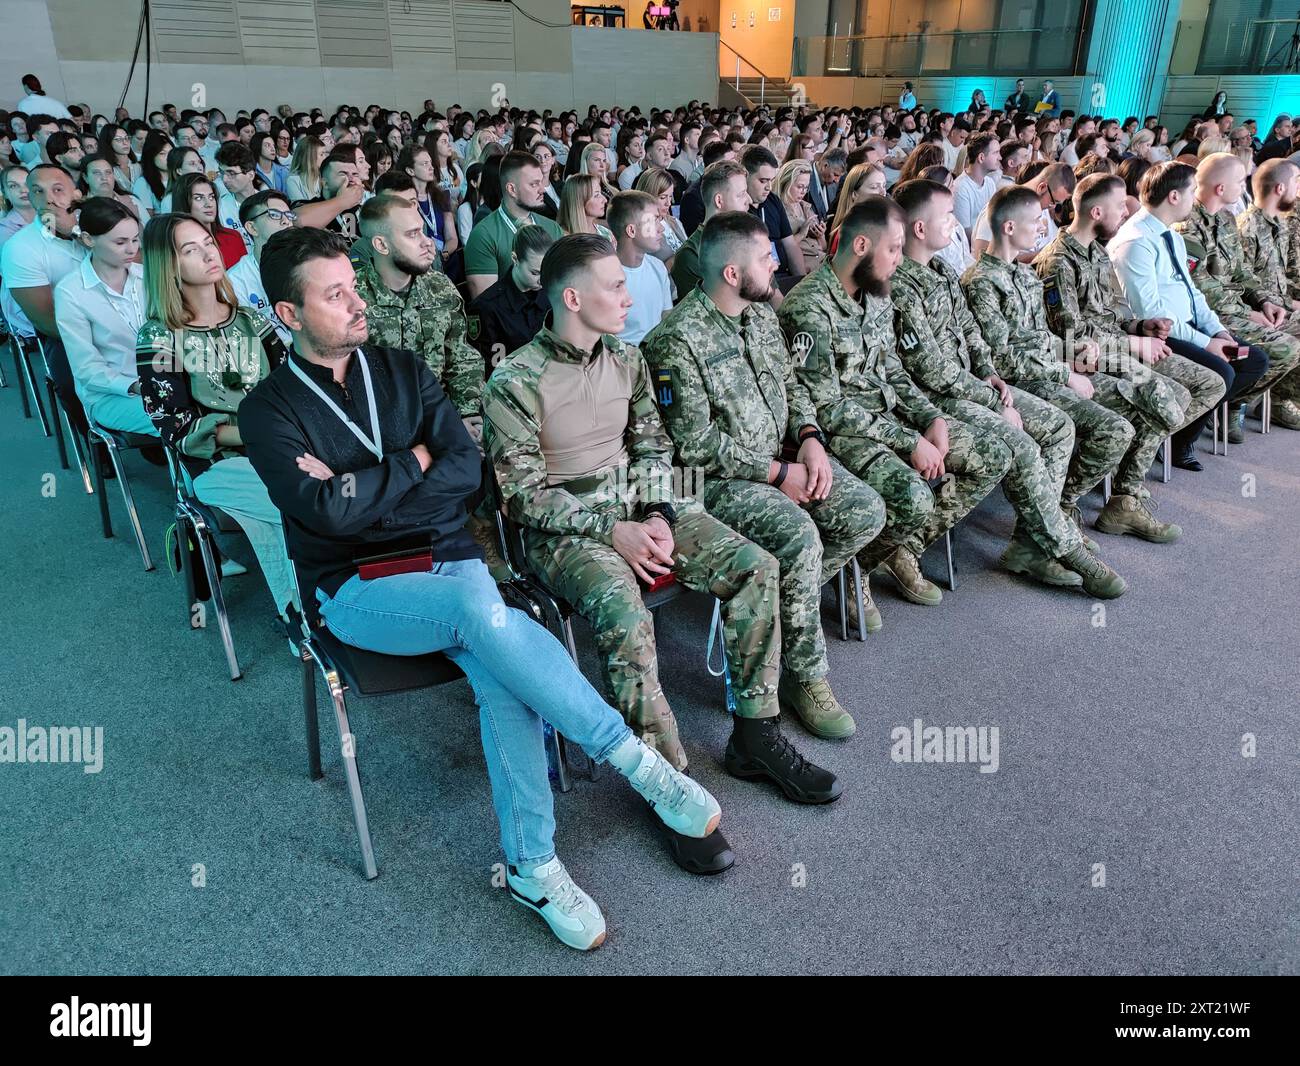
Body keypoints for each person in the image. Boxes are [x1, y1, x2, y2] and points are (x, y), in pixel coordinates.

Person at [239, 226, 720, 950]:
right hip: (354, 587)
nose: (356, 301)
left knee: (497, 665)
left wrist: (368, 490)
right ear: (288, 314)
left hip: (449, 556)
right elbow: (322, 517)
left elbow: (465, 474)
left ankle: (532, 867)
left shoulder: (402, 368)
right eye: (334, 294)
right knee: (482, 612)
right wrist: (412, 465)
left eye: (354, 284)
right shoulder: (268, 409)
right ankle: (638, 764)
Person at [483, 234, 841, 866]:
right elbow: (522, 494)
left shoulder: (627, 359)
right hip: (563, 528)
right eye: (615, 286)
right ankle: (669, 784)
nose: (629, 296)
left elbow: (653, 449)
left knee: (754, 565)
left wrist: (654, 512)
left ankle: (755, 733)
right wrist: (610, 528)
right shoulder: (515, 379)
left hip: (638, 504)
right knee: (624, 613)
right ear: (572, 297)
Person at [642, 210, 884, 735]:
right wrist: (778, 474)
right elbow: (694, 443)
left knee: (866, 509)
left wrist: (812, 439)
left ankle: (775, 620)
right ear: (732, 273)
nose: (777, 260)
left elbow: (792, 387)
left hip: (783, 459)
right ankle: (805, 675)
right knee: (799, 538)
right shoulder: (676, 341)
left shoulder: (761, 315)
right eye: (764, 256)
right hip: (717, 481)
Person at [778, 198, 1016, 622]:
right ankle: (857, 571)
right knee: (913, 497)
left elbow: (893, 370)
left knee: (994, 455)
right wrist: (911, 442)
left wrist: (930, 418)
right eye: (893, 249)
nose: (899, 259)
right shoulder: (809, 307)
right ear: (862, 246)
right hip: (843, 432)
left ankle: (895, 548)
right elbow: (826, 407)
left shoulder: (876, 295)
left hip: (890, 417)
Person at [889, 178, 1109, 591]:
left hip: (971, 385)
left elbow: (969, 330)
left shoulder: (940, 271)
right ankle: (1060, 545)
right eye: (947, 215)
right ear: (920, 229)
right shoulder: (900, 284)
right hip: (932, 398)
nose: (956, 223)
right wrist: (991, 397)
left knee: (1059, 426)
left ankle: (1030, 544)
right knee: (1018, 444)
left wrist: (989, 372)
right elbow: (929, 369)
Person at [960, 186, 1136, 588]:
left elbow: (1038, 337)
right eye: (1034, 222)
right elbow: (1003, 358)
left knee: (1118, 426)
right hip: (1021, 381)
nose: (1042, 227)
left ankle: (1041, 532)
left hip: (1045, 370)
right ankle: (1043, 535)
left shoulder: (1023, 275)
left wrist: (1074, 350)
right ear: (1008, 227)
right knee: (1094, 428)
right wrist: (1063, 372)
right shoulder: (981, 282)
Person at [135, 213, 297, 623]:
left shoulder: (250, 319)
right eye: (191, 250)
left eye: (208, 242)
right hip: (215, 462)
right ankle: (305, 620)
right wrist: (258, 435)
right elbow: (176, 426)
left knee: (344, 490)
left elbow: (292, 387)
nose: (209, 253)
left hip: (280, 446)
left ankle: (348, 600)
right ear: (168, 266)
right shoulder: (159, 336)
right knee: (296, 504)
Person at [1034, 172, 1227, 476]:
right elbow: (1070, 336)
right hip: (1087, 358)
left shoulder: (1095, 252)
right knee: (1166, 397)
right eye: (1120, 206)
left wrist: (1140, 327)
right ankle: (1121, 484)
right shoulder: (1058, 261)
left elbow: (1110, 313)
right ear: (1096, 212)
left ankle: (1124, 470)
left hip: (1117, 346)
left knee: (1210, 383)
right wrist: (1133, 343)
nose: (1127, 212)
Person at [1109, 160, 1269, 449]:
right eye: (1192, 189)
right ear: (1173, 196)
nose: (1195, 196)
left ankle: (1185, 427)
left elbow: (1192, 292)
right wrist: (1207, 344)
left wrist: (1218, 332)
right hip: (1158, 334)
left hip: (1190, 326)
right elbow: (1150, 314)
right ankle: (1175, 442)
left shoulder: (1172, 235)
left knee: (1254, 360)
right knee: (1223, 370)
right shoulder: (1135, 242)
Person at [1173, 153, 1300, 433]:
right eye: (1240, 181)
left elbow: (1243, 272)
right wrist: (1248, 313)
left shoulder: (1227, 221)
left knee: (1291, 338)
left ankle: (1234, 403)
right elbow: (1200, 287)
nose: (1245, 187)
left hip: (1236, 308)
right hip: (1211, 316)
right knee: (1287, 348)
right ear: (1220, 188)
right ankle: (1224, 405)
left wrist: (1264, 301)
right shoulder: (1187, 226)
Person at [353, 193, 484, 437]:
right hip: (384, 431)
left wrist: (464, 416)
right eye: (413, 234)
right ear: (381, 245)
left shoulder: (440, 286)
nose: (428, 242)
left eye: (423, 231)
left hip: (446, 416)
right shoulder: (354, 300)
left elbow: (461, 358)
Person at [53, 197, 159, 440]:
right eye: (120, 242)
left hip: (164, 380)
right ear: (89, 239)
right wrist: (135, 386)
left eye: (135, 239)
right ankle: (195, 476)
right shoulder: (71, 291)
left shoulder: (147, 276)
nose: (132, 249)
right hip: (110, 395)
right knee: (179, 418)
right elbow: (87, 368)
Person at [463, 150, 564, 298]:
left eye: (541, 182)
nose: (542, 190)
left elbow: (562, 284)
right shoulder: (483, 235)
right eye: (534, 184)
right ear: (512, 189)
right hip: (509, 319)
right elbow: (486, 306)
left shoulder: (552, 228)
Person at [468, 223, 553, 368]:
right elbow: (491, 368)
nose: (543, 279)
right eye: (535, 273)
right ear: (515, 259)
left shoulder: (552, 293)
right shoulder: (487, 307)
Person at [670, 159, 751, 297]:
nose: (748, 200)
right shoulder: (691, 255)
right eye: (741, 194)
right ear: (719, 201)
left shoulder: (749, 240)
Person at [227, 188, 295, 344]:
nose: (286, 221)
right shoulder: (235, 281)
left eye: (289, 215)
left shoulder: (306, 264)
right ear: (252, 228)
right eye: (275, 215)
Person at [609, 190, 671, 344]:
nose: (661, 228)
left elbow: (666, 318)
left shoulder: (658, 267)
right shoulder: (606, 278)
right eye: (654, 221)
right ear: (631, 230)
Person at [291, 147, 366, 237]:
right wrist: (343, 201)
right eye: (343, 174)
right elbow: (295, 221)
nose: (351, 179)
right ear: (325, 183)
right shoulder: (306, 205)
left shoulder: (365, 211)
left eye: (355, 174)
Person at [778, 159, 827, 274]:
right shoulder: (777, 210)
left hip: (822, 262)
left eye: (806, 187)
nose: (803, 192)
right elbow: (778, 250)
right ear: (786, 183)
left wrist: (820, 235)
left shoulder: (805, 207)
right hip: (805, 271)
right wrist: (801, 234)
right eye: (799, 187)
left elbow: (823, 247)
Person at [952, 132, 1002, 238]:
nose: (1000, 157)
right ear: (981, 158)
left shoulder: (989, 183)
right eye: (996, 153)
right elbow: (965, 233)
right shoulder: (961, 188)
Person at [215, 142, 260, 254]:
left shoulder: (268, 203)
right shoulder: (219, 207)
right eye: (222, 172)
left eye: (231, 173)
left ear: (250, 175)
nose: (225, 179)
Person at [0, 164, 34, 250]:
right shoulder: (4, 231)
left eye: (27, 183)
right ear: (5, 193)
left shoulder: (50, 214)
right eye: (13, 186)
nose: (23, 190)